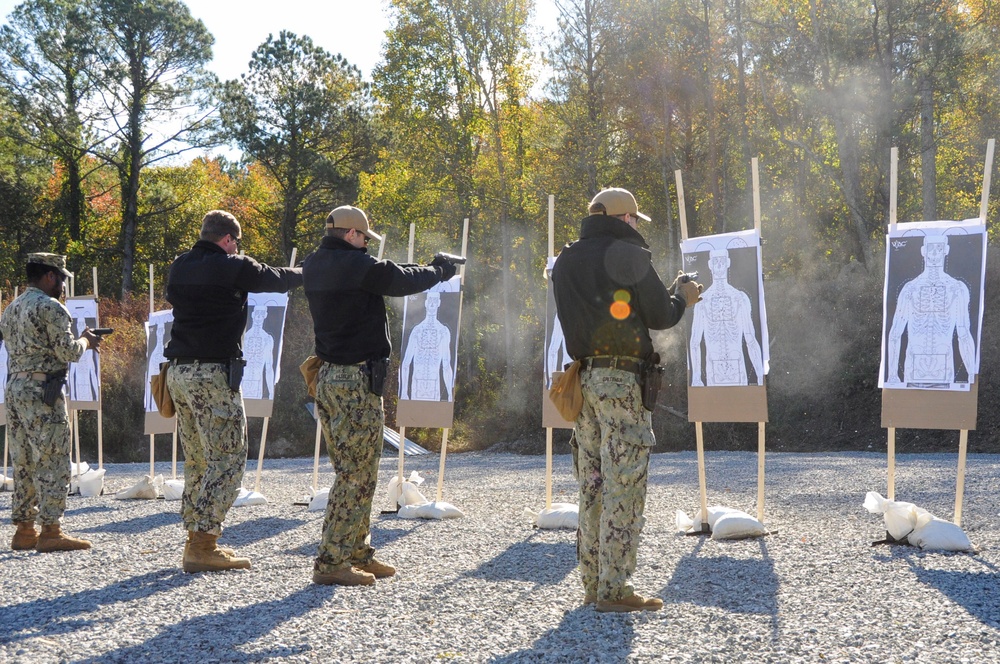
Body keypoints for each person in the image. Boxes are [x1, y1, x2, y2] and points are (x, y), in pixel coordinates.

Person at [552, 188, 701, 613]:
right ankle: (615, 591)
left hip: (585, 379)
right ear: (623, 219)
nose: (636, 226)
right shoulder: (629, 255)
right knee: (625, 483)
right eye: (635, 219)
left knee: (592, 484)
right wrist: (684, 297)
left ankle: (593, 583)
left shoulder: (565, 260)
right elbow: (660, 315)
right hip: (620, 381)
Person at [303, 205, 456, 586]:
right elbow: (397, 278)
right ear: (352, 234)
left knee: (359, 470)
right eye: (364, 239)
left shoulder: (316, 263)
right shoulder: (354, 266)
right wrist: (438, 269)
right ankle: (332, 560)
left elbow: (386, 274)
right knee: (355, 474)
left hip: (331, 378)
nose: (366, 247)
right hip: (354, 381)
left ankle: (357, 551)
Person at [164, 210, 302, 573]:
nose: (237, 248)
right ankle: (204, 543)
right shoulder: (231, 265)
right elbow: (276, 278)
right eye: (236, 242)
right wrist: (309, 271)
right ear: (228, 239)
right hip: (212, 372)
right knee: (228, 458)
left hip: (178, 371)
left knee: (197, 458)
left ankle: (195, 534)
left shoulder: (179, 265)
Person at [1, 253, 102, 552]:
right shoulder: (51, 307)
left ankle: (23, 530)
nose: (63, 286)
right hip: (42, 389)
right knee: (54, 459)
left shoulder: (11, 308)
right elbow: (68, 352)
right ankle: (51, 530)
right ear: (49, 276)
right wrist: (86, 340)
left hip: (15, 387)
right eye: (61, 279)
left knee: (23, 461)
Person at [886, 234, 976, 386]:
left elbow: (964, 334)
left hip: (944, 373)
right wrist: (892, 374)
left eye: (939, 248)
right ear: (923, 251)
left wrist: (972, 375)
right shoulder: (910, 289)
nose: (934, 254)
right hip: (913, 372)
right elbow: (895, 333)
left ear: (945, 250)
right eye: (930, 248)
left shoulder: (957, 289)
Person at [689, 248, 764, 387]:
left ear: (728, 263)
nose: (719, 265)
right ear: (710, 264)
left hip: (738, 370)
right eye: (715, 261)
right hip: (713, 372)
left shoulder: (740, 298)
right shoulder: (702, 301)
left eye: (722, 261)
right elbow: (694, 342)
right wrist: (696, 377)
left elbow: (751, 339)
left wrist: (760, 376)